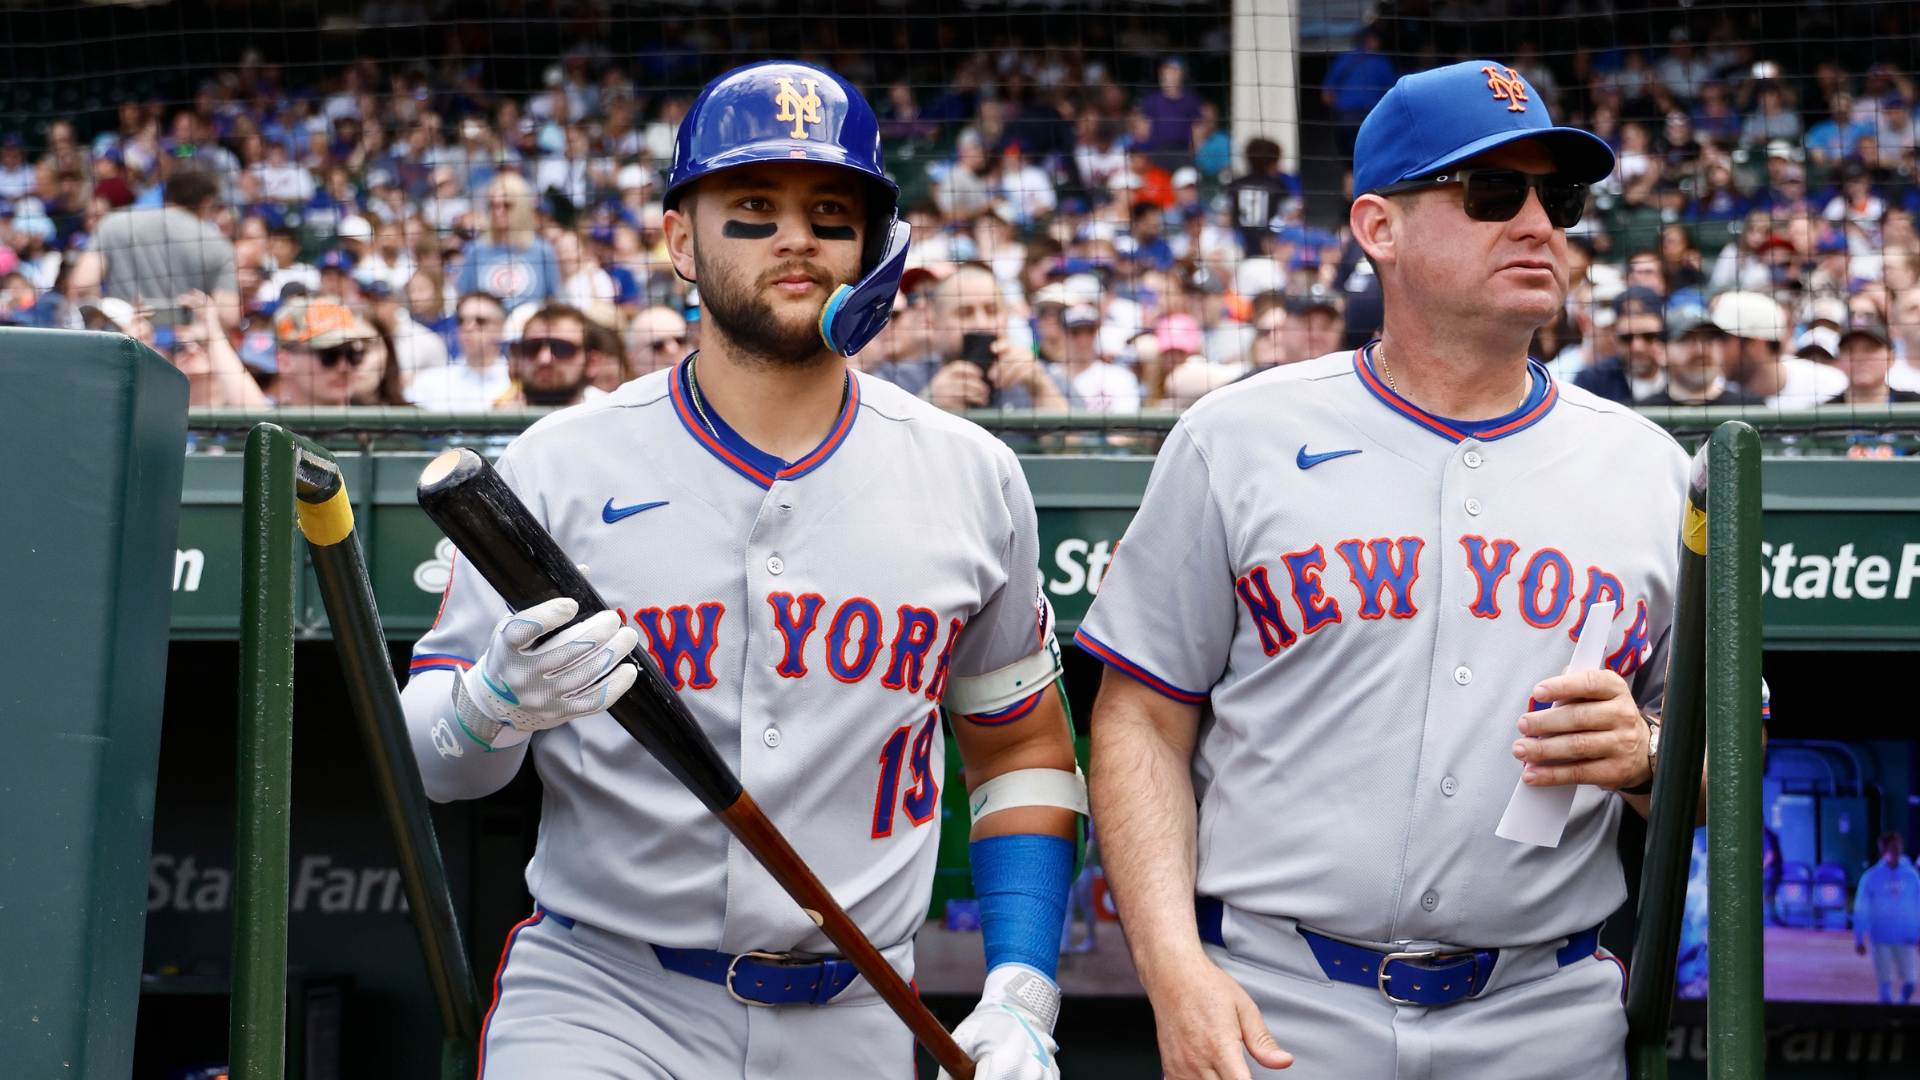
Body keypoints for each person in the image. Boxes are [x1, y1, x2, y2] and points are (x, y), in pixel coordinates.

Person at [399, 61, 1083, 1080]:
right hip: (606, 1000)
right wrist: (492, 704)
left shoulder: (971, 476)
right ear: (682, 239)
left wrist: (1022, 985)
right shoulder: (561, 462)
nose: (797, 236)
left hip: (858, 1008)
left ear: (876, 247)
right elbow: (435, 766)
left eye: (831, 210)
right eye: (753, 208)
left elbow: (1019, 745)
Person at [1083, 60, 1679, 1080]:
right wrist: (1174, 968)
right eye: (1493, 192)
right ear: (1377, 228)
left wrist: (1653, 755)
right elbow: (1141, 715)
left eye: (1560, 196)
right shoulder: (1240, 436)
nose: (1539, 222)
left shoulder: (1655, 471)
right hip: (1281, 1009)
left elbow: (1730, 776)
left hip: (1548, 1018)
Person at [79, 165, 239, 329]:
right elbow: (228, 315)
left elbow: (83, 285)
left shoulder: (114, 222)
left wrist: (115, 320)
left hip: (126, 345)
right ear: (206, 202)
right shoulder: (218, 244)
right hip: (189, 348)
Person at [909, 263, 1068, 410]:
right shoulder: (903, 379)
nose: (981, 324)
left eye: (991, 311)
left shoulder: (1044, 376)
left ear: (1006, 317)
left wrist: (1040, 388)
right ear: (935, 322)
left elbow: (1073, 439)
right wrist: (930, 402)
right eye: (965, 313)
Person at [1712, 290, 1847, 409]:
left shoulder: (1829, 385)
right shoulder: (1714, 389)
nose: (1715, 348)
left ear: (1756, 345)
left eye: (1723, 339)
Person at [456, 172, 561, 313]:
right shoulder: (476, 249)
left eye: (506, 205)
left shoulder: (542, 250)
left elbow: (554, 299)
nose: (498, 211)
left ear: (521, 207)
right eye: (493, 205)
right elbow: (464, 297)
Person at [1640, 302, 1763, 407]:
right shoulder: (1643, 415)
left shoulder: (1750, 408)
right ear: (1661, 353)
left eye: (1709, 340)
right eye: (1687, 340)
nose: (1701, 351)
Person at [406, 291, 514, 409]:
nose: (468, 327)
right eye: (461, 320)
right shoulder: (428, 382)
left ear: (501, 328)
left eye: (480, 321)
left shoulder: (516, 384)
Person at [269, 295, 375, 407]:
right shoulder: (265, 423)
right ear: (284, 362)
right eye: (328, 356)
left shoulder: (381, 421)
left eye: (352, 355)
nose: (345, 367)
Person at [1854, 832, 1920, 1004]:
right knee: (1885, 982)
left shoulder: (1912, 876)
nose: (1898, 850)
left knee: (1910, 982)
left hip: (1905, 936)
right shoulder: (1871, 876)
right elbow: (1861, 907)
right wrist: (1859, 937)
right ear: (1883, 850)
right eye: (1893, 847)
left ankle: (1901, 1007)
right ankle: (1888, 1019)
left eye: (1899, 847)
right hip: (1881, 937)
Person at [495, 302, 599, 407]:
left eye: (562, 348)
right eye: (532, 348)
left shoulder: (610, 415)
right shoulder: (497, 417)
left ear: (591, 362)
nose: (544, 359)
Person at [1575, 287, 1666, 405]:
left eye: (1649, 336)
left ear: (1663, 334)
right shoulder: (1592, 381)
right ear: (1613, 335)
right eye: (1627, 338)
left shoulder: (1680, 373)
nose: (1637, 347)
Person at [1053, 304, 1142, 411]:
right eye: (1075, 332)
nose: (1083, 340)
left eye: (1089, 331)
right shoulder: (1049, 376)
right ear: (1063, 334)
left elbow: (1127, 424)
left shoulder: (1120, 378)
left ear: (1097, 331)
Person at [1825, 314, 1920, 405]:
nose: (1859, 358)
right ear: (1837, 360)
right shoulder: (1823, 416)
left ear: (1891, 358)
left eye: (1870, 349)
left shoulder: (1914, 406)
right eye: (1850, 350)